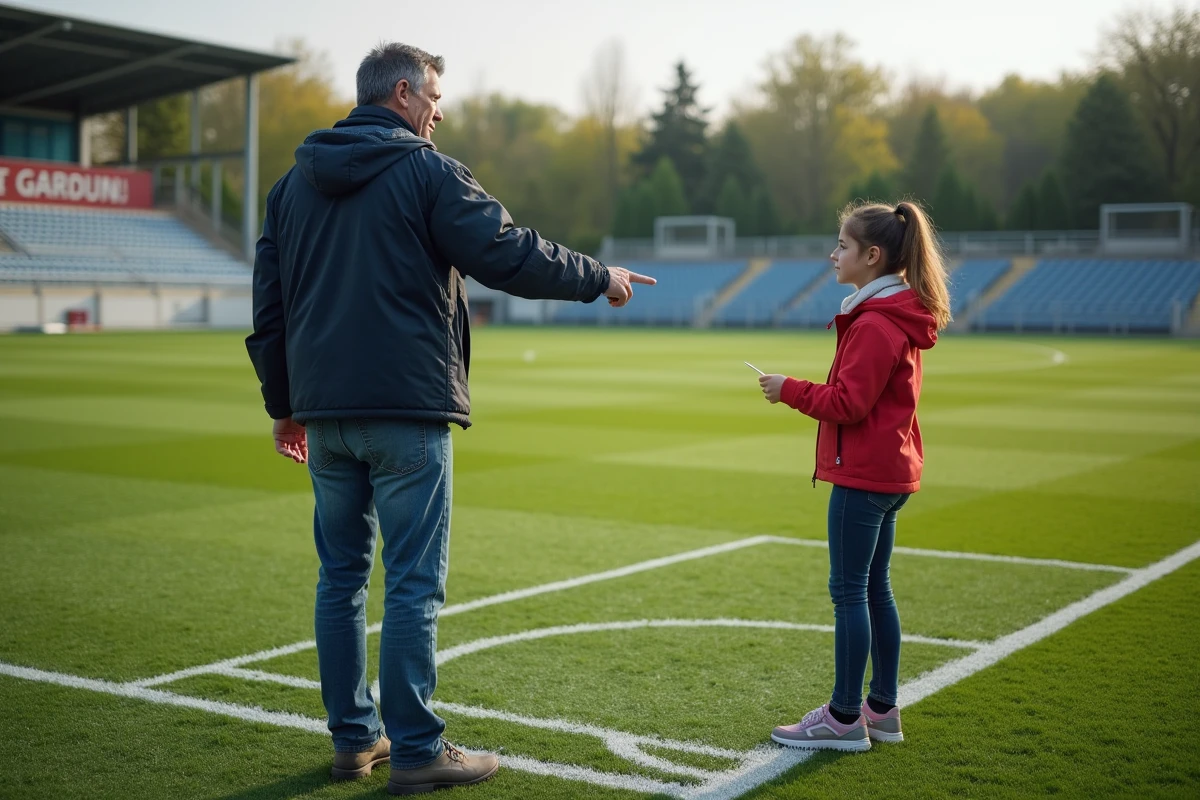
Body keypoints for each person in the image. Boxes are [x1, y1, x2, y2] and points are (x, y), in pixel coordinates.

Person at [245, 42, 654, 795]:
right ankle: (417, 750)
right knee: (412, 584)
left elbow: (268, 306)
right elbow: (506, 252)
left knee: (340, 580)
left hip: (325, 415)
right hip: (406, 408)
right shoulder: (428, 172)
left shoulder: (290, 187)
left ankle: (353, 740)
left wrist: (282, 407)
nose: (440, 112)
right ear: (403, 93)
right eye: (434, 97)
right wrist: (600, 277)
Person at [756, 200, 950, 752]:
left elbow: (848, 403)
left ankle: (843, 717)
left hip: (864, 477)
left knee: (849, 592)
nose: (833, 254)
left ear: (872, 256)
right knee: (874, 587)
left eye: (842, 246)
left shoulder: (875, 323)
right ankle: (881, 710)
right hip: (889, 473)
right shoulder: (894, 314)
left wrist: (788, 389)